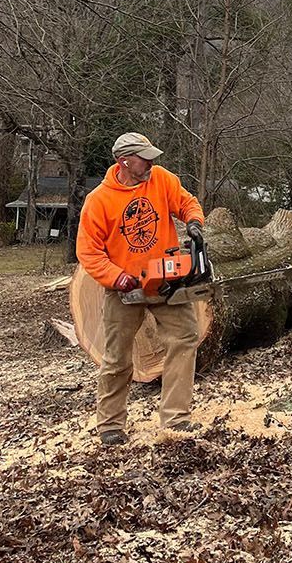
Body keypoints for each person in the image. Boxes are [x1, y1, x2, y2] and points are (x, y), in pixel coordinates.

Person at [76, 132, 206, 446]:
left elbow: (186, 202)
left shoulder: (160, 179)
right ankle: (110, 423)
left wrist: (194, 223)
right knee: (117, 356)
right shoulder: (99, 200)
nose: (150, 162)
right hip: (125, 288)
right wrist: (115, 276)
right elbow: (88, 252)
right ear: (124, 161)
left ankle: (176, 417)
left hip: (165, 280)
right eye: (143, 157)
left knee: (185, 337)